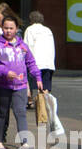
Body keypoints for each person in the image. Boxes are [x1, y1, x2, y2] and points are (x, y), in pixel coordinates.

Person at [0, 12, 43, 149]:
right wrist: (5, 72)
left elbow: (31, 63)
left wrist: (38, 78)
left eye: (11, 28)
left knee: (20, 112)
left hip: (20, 85)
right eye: (6, 28)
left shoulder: (22, 46)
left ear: (17, 28)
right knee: (2, 113)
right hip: (3, 85)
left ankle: (24, 142)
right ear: (1, 28)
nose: (8, 31)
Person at [24, 10, 65, 138]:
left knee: (36, 91)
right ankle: (53, 123)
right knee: (45, 92)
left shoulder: (30, 30)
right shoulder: (48, 30)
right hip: (48, 64)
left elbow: (27, 47)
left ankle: (54, 124)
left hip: (36, 64)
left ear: (31, 20)